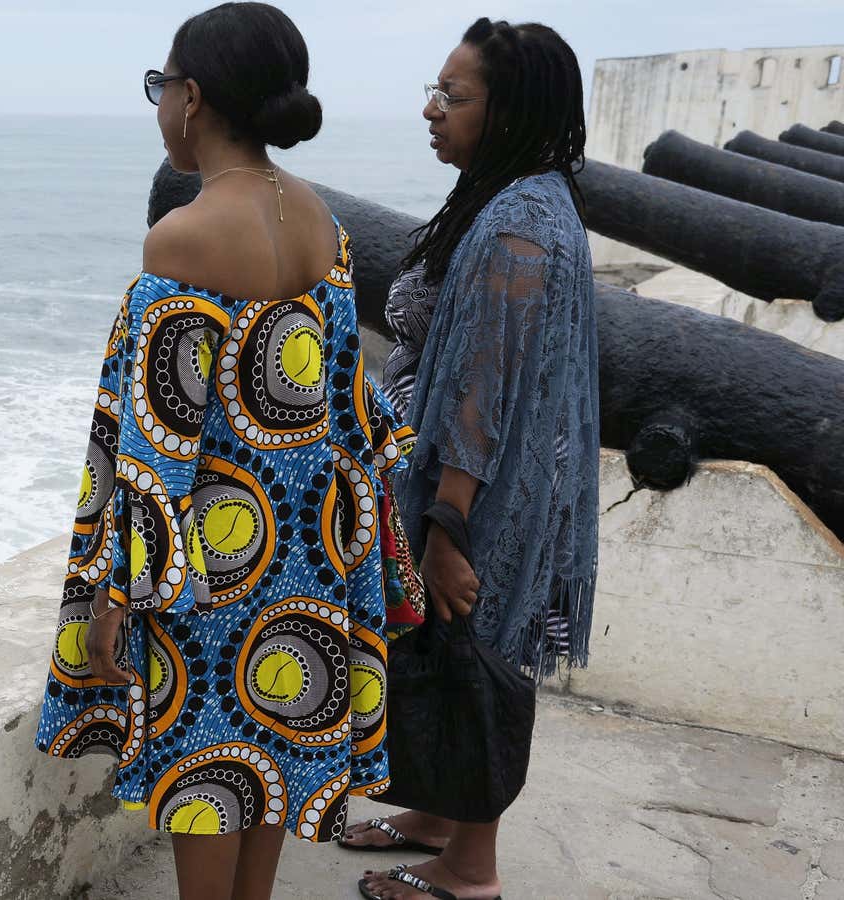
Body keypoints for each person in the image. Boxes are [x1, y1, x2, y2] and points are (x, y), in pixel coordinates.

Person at [31, 5, 414, 899]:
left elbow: (161, 440)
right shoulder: (319, 220)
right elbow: (353, 406)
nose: (159, 103)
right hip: (311, 548)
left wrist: (121, 596)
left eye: (160, 86)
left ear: (192, 97)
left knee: (208, 772)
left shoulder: (184, 238)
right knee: (274, 752)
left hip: (212, 561)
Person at [341, 17, 600, 900]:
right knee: (446, 657)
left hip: (481, 505)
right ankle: (432, 815)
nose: (431, 109)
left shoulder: (518, 229)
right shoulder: (521, 200)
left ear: (510, 109)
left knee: (475, 659)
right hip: (482, 491)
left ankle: (468, 873)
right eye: (435, 89)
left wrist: (447, 527)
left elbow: (482, 397)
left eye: (454, 97)